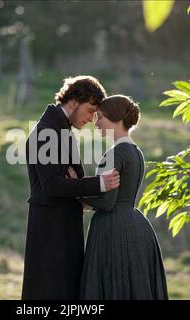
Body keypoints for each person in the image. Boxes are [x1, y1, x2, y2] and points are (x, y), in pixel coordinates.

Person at [22, 76, 121, 300]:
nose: (91, 119)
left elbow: (64, 184)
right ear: (74, 101)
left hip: (62, 226)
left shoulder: (60, 128)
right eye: (90, 110)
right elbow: (52, 185)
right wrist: (99, 183)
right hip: (51, 232)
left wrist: (77, 190)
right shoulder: (47, 131)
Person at [68, 94, 168, 300]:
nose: (96, 123)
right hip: (137, 226)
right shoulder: (136, 151)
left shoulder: (115, 154)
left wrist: (75, 190)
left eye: (101, 117)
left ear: (115, 118)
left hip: (114, 230)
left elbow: (106, 202)